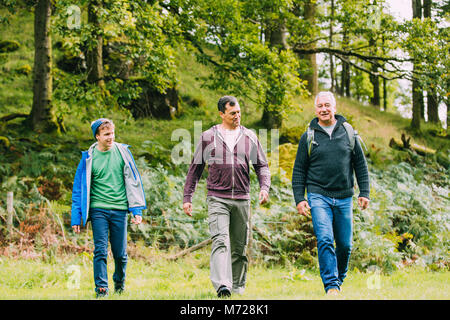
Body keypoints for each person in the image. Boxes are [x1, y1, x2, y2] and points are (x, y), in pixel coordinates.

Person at [183, 95, 271, 298]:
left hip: (242, 198)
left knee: (239, 247)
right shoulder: (208, 137)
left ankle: (238, 287)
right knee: (220, 240)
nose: (237, 116)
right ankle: (223, 285)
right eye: (233, 113)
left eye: (239, 112)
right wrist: (188, 197)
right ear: (221, 114)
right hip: (217, 197)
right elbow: (195, 169)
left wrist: (264, 187)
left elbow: (262, 166)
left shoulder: (249, 136)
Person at [292, 91, 370, 295]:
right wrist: (300, 199)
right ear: (315, 109)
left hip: (344, 196)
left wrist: (365, 192)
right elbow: (299, 170)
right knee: (325, 238)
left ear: (334, 107)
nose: (324, 109)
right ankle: (331, 286)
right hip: (318, 195)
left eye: (327, 105)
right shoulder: (308, 136)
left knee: (345, 245)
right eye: (320, 106)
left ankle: (338, 280)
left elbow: (360, 165)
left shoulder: (349, 132)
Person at [71, 118, 146, 298]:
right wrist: (76, 217)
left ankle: (119, 283)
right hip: (98, 210)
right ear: (97, 136)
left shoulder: (123, 153)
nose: (110, 137)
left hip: (120, 210)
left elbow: (133, 182)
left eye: (112, 133)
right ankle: (101, 288)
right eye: (106, 134)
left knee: (120, 254)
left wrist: (136, 210)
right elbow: (78, 189)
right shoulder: (88, 158)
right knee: (100, 250)